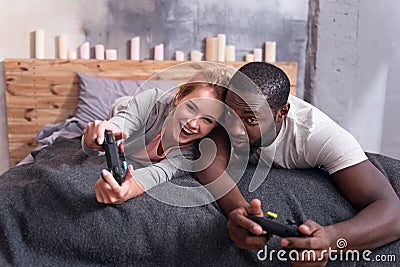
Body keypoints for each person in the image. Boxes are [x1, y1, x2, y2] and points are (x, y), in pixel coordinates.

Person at [194, 62, 400, 266]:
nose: (235, 129)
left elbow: (393, 213)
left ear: (282, 113)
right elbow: (209, 161)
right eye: (230, 116)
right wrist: (238, 212)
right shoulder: (230, 104)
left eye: (251, 120)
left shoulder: (317, 135)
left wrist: (328, 240)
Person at [82, 69, 229, 204]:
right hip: (126, 108)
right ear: (179, 97)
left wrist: (125, 190)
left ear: (215, 125)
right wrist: (94, 139)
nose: (193, 123)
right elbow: (118, 126)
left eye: (207, 119)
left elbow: (156, 174)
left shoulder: (193, 154)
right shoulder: (152, 103)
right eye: (191, 107)